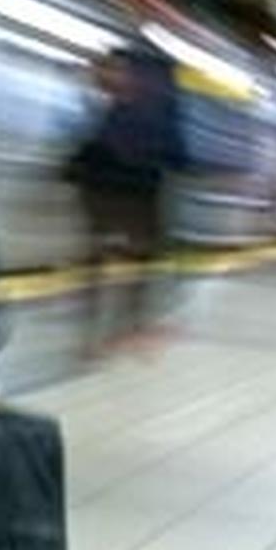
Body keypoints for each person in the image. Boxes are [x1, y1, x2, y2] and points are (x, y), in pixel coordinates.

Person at [66, 47, 181, 358]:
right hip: (105, 196)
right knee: (100, 265)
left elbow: (168, 152)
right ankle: (96, 335)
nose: (105, 76)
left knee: (134, 266)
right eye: (104, 71)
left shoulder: (146, 112)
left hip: (138, 195)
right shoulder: (100, 106)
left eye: (115, 70)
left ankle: (126, 328)